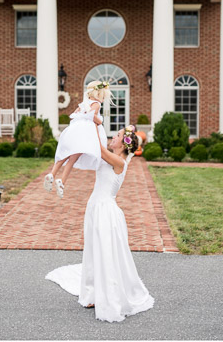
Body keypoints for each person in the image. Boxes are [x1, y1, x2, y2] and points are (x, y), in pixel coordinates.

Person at [46, 126, 155, 323]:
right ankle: (91, 294)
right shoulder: (111, 157)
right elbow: (89, 151)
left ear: (124, 144)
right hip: (94, 208)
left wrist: (94, 122)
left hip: (106, 212)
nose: (114, 136)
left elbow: (98, 147)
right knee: (93, 250)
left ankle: (108, 296)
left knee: (105, 252)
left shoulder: (119, 161)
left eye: (118, 135)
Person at [44, 81, 110, 198]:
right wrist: (100, 120)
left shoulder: (82, 104)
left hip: (74, 131)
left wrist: (83, 112)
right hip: (85, 134)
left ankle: (53, 175)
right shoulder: (96, 104)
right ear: (98, 94)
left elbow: (73, 115)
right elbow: (92, 116)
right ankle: (62, 181)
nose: (103, 99)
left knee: (67, 155)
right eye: (103, 96)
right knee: (73, 158)